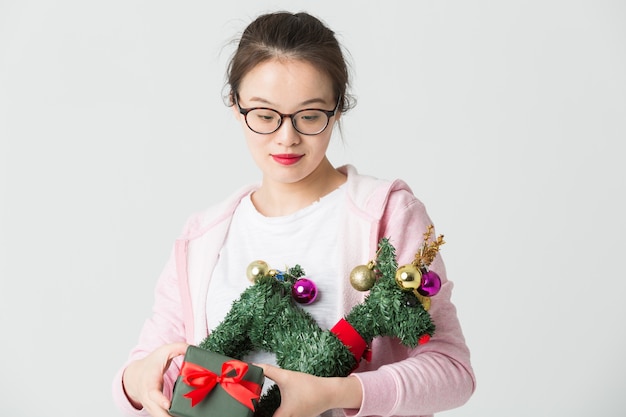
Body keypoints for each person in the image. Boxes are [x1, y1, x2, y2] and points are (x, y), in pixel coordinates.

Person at [112, 11, 475, 417]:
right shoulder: (205, 236)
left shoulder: (385, 214)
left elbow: (452, 371)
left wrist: (337, 393)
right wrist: (140, 380)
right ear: (235, 105)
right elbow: (143, 365)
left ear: (338, 109)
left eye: (310, 116)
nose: (287, 138)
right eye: (265, 116)